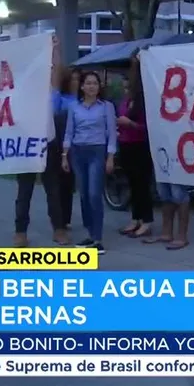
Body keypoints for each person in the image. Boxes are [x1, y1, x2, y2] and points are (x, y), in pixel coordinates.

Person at [13, 64, 71, 248]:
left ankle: (59, 229)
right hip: (26, 148)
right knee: (24, 192)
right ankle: (20, 232)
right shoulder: (19, 98)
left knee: (53, 191)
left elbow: (57, 74)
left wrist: (54, 50)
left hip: (49, 145)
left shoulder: (49, 93)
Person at [62, 70, 117, 254]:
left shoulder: (106, 107)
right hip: (78, 152)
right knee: (84, 194)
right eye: (88, 83)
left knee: (94, 194)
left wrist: (110, 157)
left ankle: (98, 239)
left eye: (95, 83)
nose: (92, 86)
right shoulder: (74, 107)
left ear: (99, 87)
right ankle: (90, 233)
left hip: (97, 152)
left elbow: (111, 134)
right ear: (83, 87)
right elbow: (69, 132)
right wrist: (64, 155)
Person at [117, 54, 154, 238]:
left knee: (142, 184)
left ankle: (147, 220)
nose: (125, 88)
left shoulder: (143, 101)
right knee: (132, 184)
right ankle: (136, 218)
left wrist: (130, 124)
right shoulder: (125, 102)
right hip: (125, 146)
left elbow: (149, 127)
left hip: (140, 146)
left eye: (128, 84)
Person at [57, 71, 81, 230]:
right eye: (73, 79)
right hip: (60, 144)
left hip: (77, 146)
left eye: (78, 79)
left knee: (69, 183)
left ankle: (66, 218)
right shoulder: (61, 99)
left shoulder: (82, 101)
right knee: (59, 183)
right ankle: (59, 219)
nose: (76, 82)